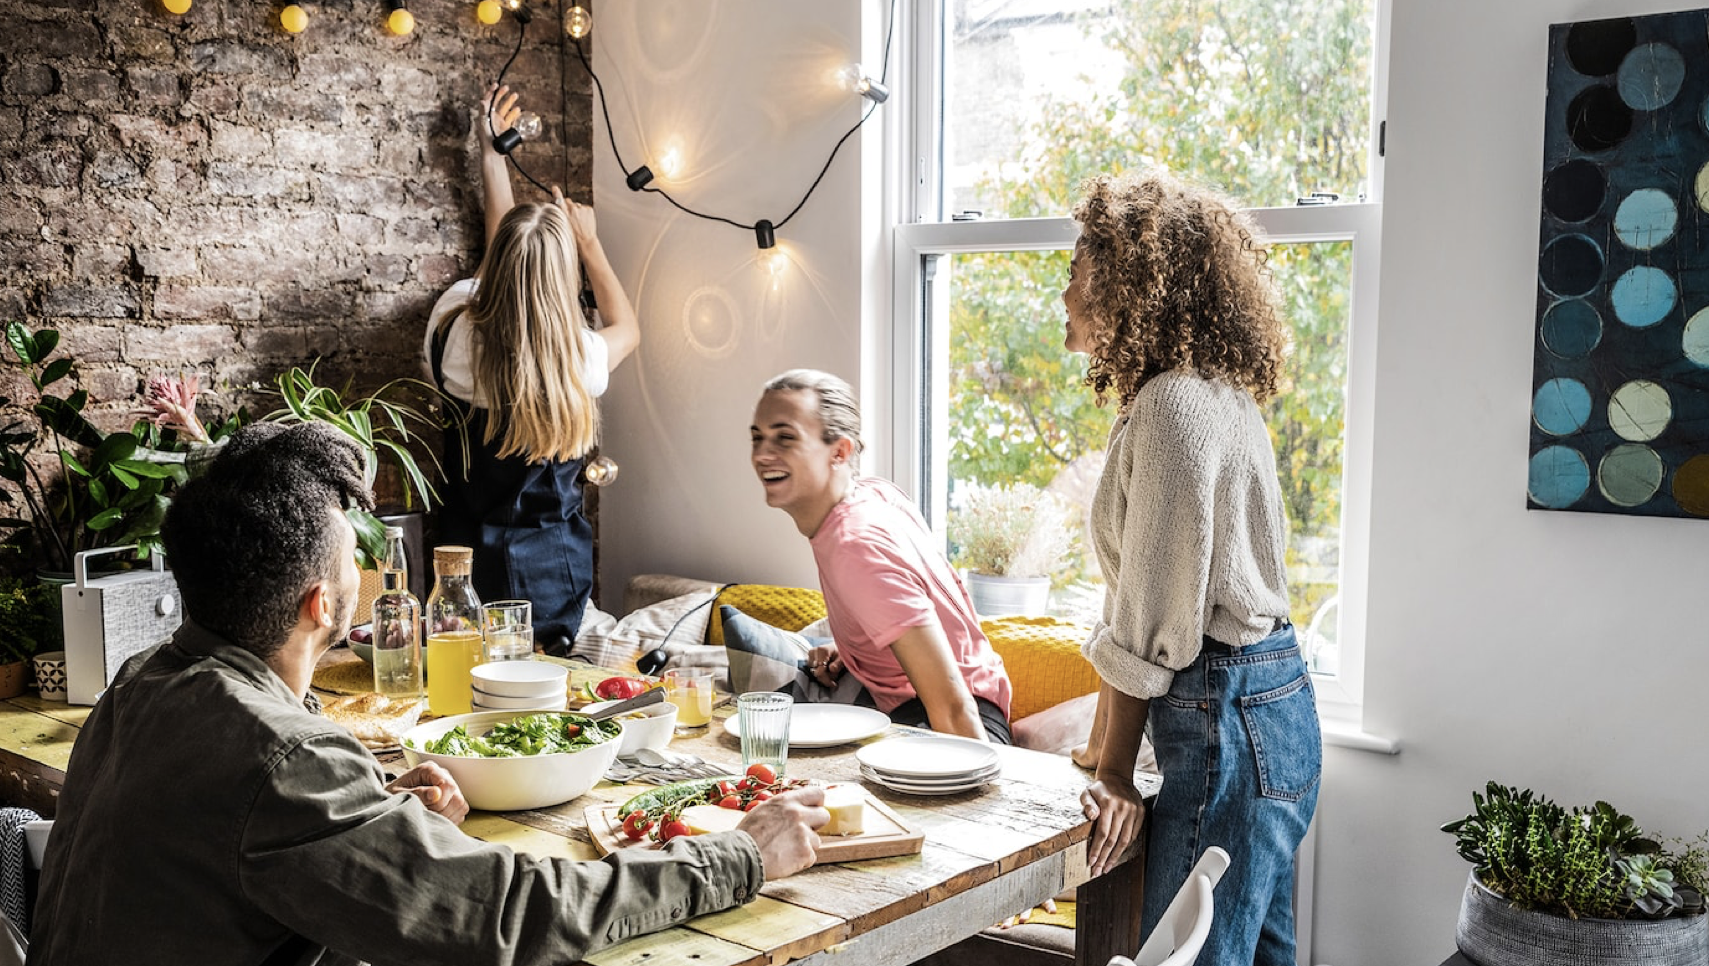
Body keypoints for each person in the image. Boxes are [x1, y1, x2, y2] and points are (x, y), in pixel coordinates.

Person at [30, 422, 829, 965]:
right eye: (352, 554)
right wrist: (739, 856)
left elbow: (241, 835)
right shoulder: (283, 761)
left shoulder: (146, 682)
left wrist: (373, 809)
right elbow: (507, 915)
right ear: (323, 604)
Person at [1063, 170, 1321, 963]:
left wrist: (1113, 777)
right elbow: (1138, 599)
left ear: (1123, 282)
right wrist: (1101, 744)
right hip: (1263, 709)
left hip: (1227, 716)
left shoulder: (1175, 406)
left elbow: (1150, 620)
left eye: (1075, 273)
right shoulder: (1216, 396)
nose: (1065, 294)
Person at [424, 85, 639, 649]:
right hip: (553, 572)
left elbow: (501, 267)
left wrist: (492, 159)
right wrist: (591, 244)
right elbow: (629, 327)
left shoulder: (451, 331)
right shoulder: (581, 360)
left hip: (463, 563)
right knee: (546, 700)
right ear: (561, 278)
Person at [736, 369, 1014, 744]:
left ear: (840, 451)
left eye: (785, 438)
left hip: (952, 723)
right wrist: (857, 648)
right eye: (758, 438)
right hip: (975, 694)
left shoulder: (855, 546)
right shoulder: (874, 493)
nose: (763, 454)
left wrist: (985, 790)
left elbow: (952, 706)